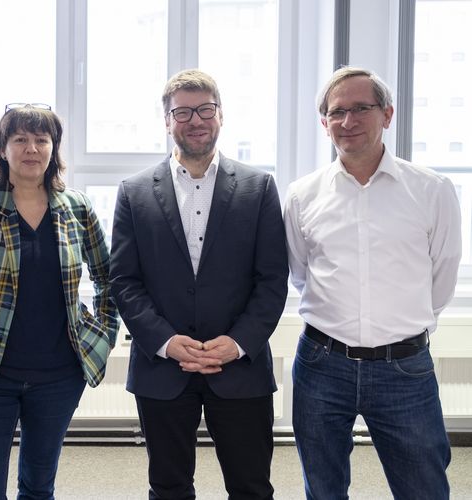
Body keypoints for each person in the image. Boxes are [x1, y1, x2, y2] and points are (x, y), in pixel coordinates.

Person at [110, 69, 289, 499]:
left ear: (221, 115)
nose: (195, 120)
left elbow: (272, 280)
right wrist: (167, 341)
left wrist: (238, 342)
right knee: (168, 486)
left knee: (251, 487)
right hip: (163, 366)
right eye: (183, 112)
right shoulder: (134, 192)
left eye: (205, 109)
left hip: (240, 366)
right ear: (167, 121)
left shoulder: (258, 187)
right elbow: (124, 280)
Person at [283, 66, 461, 499]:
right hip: (322, 364)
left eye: (361, 108)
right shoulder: (302, 195)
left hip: (404, 368)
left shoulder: (432, 190)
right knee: (323, 487)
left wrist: (400, 326)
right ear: (324, 124)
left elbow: (443, 273)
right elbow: (300, 273)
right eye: (336, 112)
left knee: (424, 487)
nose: (349, 121)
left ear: (388, 114)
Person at [0, 103, 119, 500]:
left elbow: (111, 280)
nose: (31, 148)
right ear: (2, 149)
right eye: (19, 139)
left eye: (41, 139)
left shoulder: (77, 209)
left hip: (58, 377)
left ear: (54, 149)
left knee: (39, 488)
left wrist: (101, 339)